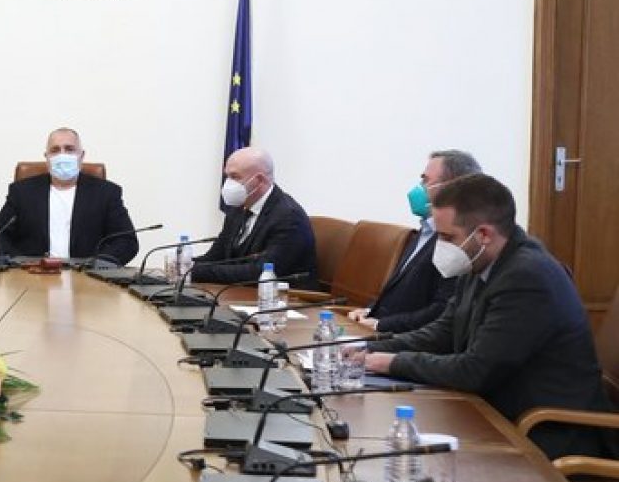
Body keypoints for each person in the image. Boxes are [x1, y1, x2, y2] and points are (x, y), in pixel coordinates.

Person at [364, 174, 614, 460]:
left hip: (546, 434)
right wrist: (368, 349)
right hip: (497, 413)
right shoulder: (480, 261)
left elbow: (474, 371)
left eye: (447, 237)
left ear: (483, 234)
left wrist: (392, 362)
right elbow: (443, 331)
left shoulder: (528, 277)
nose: (439, 246)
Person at [349, 150, 481, 333]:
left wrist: (381, 324)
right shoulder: (425, 229)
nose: (419, 187)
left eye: (426, 181)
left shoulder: (458, 242)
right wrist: (368, 311)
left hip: (405, 338)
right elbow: (399, 292)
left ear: (451, 188)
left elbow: (440, 311)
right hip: (381, 330)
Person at [0, 128, 140, 264]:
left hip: (88, 278)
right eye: (55, 150)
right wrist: (22, 264)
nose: (62, 155)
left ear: (81, 156)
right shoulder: (22, 192)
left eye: (69, 149)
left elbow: (127, 241)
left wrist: (96, 265)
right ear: (47, 157)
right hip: (33, 276)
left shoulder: (106, 193)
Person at [189, 146, 318, 288]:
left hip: (283, 297)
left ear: (259, 180)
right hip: (238, 293)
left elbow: (260, 273)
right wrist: (183, 266)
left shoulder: (289, 217)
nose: (228, 183)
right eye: (227, 176)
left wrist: (194, 271)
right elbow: (215, 257)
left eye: (235, 177)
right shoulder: (238, 208)